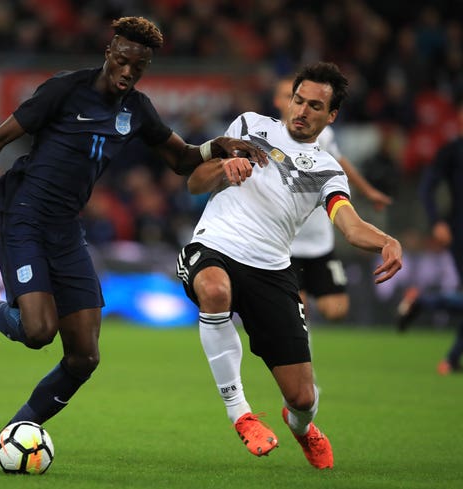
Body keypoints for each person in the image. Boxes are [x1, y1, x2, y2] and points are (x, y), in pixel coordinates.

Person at [0, 16, 266, 462]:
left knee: (84, 358)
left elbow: (181, 158)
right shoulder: (65, 89)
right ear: (109, 53)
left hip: (66, 229)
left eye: (137, 69)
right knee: (39, 331)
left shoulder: (137, 109)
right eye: (122, 62)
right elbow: (1, 136)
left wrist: (215, 146)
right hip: (24, 216)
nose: (127, 73)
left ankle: (11, 433)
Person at [176, 62, 403, 469]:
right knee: (213, 291)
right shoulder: (249, 126)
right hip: (214, 246)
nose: (301, 111)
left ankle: (302, 427)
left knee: (302, 398)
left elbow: (349, 226)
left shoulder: (327, 170)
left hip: (273, 270)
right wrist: (222, 168)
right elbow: (194, 181)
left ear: (331, 116)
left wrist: (386, 241)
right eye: (298, 100)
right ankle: (240, 414)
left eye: (315, 106)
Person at [272, 75, 393, 322]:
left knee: (336, 309)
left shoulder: (321, 136)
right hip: (285, 244)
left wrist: (367, 191)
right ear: (280, 101)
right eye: (292, 97)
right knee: (296, 309)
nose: (301, 106)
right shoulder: (265, 136)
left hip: (319, 243)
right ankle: (297, 354)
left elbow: (340, 161)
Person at [396, 99, 463, 375]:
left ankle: (423, 303)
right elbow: (427, 188)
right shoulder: (452, 151)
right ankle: (450, 359)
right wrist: (437, 221)